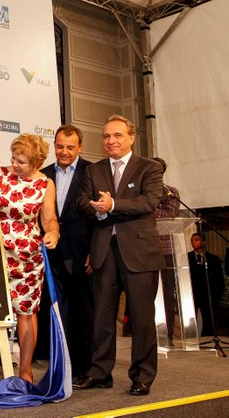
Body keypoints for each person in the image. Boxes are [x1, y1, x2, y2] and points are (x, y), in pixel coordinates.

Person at [74, 114, 163, 397]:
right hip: (103, 251)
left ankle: (142, 377)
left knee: (142, 318)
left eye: (117, 135)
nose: (110, 140)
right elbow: (81, 203)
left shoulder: (149, 167)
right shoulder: (94, 170)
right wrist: (97, 209)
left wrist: (112, 205)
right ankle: (99, 373)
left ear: (131, 137)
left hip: (140, 251)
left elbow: (149, 201)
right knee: (101, 316)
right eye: (106, 136)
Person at [0, 133, 60, 384]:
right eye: (13, 159)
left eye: (21, 162)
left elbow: (49, 219)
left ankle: (25, 368)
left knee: (26, 312)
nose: (14, 164)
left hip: (28, 257)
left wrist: (53, 232)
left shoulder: (45, 184)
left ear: (36, 163)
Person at [40, 125, 93, 378]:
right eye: (60, 146)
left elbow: (97, 218)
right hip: (51, 252)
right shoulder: (43, 175)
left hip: (82, 252)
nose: (64, 152)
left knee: (83, 309)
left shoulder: (92, 172)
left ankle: (84, 366)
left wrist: (94, 251)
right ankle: (60, 363)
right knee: (55, 309)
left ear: (80, 147)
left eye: (70, 147)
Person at [152, 157, 181, 346]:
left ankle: (168, 336)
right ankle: (149, 337)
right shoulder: (140, 191)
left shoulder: (171, 191)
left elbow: (170, 215)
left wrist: (147, 208)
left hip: (166, 249)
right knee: (145, 294)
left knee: (167, 294)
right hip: (143, 249)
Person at [188, 233, 225, 336]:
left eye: (196, 240)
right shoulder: (186, 258)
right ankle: (192, 339)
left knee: (209, 321)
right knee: (190, 321)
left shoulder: (213, 259)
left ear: (203, 241)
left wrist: (216, 296)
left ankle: (208, 338)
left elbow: (219, 279)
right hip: (191, 295)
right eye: (192, 240)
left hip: (208, 295)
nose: (193, 242)